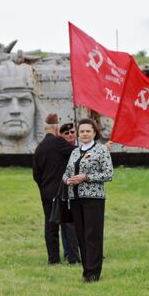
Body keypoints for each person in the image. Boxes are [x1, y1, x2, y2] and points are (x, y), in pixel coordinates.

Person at [63, 118, 113, 282]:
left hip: (93, 198)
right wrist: (67, 180)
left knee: (93, 235)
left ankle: (94, 272)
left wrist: (86, 177)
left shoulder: (101, 150)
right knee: (81, 235)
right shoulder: (75, 151)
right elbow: (66, 173)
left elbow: (108, 174)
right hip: (75, 198)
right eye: (82, 131)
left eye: (88, 131)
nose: (84, 134)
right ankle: (86, 270)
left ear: (94, 132)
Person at [33, 114, 80, 265]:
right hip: (61, 191)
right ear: (55, 128)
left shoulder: (39, 148)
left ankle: (53, 259)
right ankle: (73, 258)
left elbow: (36, 174)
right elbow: (76, 153)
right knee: (67, 224)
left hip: (46, 192)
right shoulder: (59, 142)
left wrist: (44, 187)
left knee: (50, 226)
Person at [58, 122, 79, 262]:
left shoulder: (78, 148)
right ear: (61, 136)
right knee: (66, 223)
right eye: (67, 133)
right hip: (64, 189)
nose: (70, 135)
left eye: (72, 132)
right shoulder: (62, 148)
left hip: (78, 189)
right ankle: (68, 252)